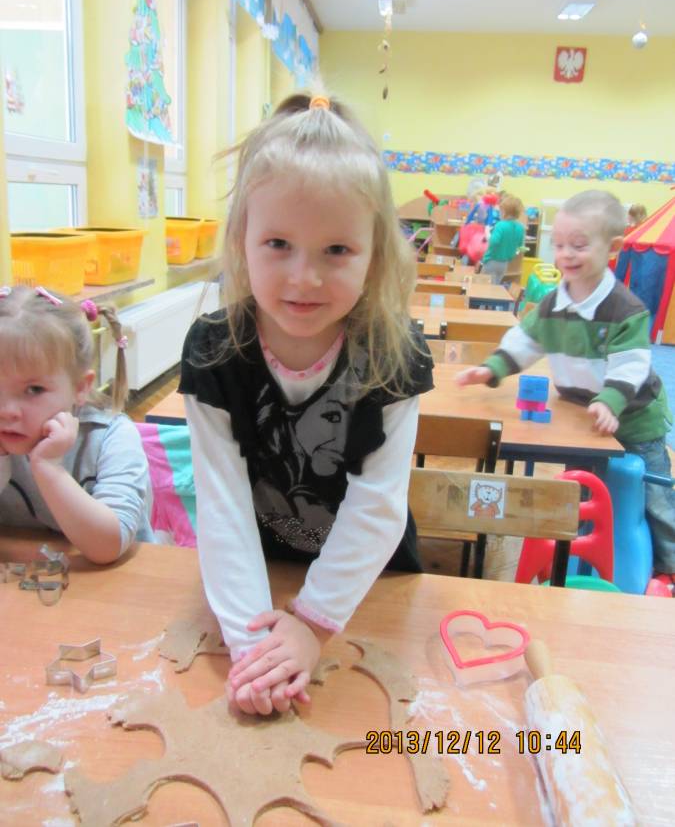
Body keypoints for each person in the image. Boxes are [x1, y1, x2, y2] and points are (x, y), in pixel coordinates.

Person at [179, 89, 434, 717]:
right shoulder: (214, 350)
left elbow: (377, 507)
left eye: (336, 251)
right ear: (242, 238)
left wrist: (314, 627)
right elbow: (222, 503)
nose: (304, 277)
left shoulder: (393, 354)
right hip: (260, 578)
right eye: (278, 244)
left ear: (375, 255)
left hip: (366, 586)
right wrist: (253, 648)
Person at [456, 190, 675, 583]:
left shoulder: (626, 309)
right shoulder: (553, 303)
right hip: (583, 421)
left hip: (635, 417)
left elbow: (631, 365)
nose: (566, 254)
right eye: (558, 245)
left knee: (654, 497)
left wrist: (610, 401)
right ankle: (579, 554)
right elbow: (526, 341)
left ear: (613, 248)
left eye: (579, 245)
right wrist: (492, 368)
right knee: (581, 488)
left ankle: (669, 566)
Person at [0, 285, 153, 563]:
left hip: (119, 581)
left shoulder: (111, 437)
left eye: (34, 390)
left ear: (80, 387)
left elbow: (107, 547)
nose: (7, 411)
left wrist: (49, 468)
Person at [480, 195, 526, 285]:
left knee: (484, 286)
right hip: (504, 263)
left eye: (500, 211)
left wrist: (487, 233)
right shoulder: (520, 227)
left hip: (492, 261)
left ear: (504, 212)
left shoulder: (500, 225)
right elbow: (520, 245)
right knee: (495, 287)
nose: (499, 213)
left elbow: (494, 242)